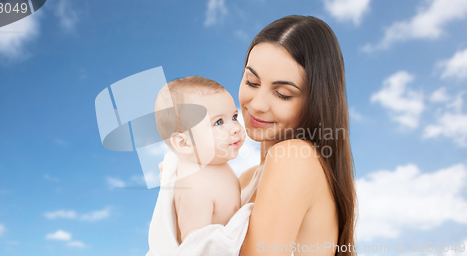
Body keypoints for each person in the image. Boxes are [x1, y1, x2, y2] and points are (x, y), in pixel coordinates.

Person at [160, 15, 357, 256]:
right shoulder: (242, 180)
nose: (258, 104)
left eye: (283, 94)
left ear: (315, 102)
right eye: (252, 82)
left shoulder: (294, 159)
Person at [153, 76, 247, 244]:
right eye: (219, 122)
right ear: (184, 143)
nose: (235, 128)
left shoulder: (216, 165)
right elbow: (195, 245)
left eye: (234, 117)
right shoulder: (196, 187)